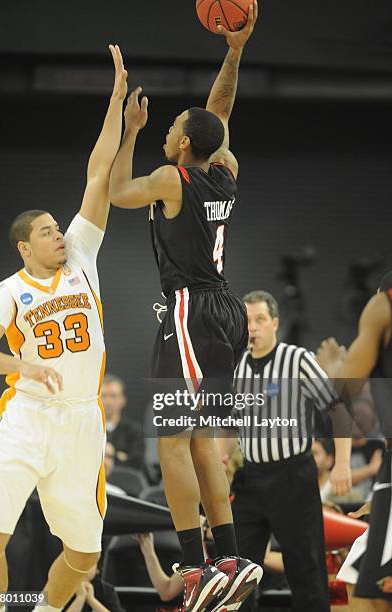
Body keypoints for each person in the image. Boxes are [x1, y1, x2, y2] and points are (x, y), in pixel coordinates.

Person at [109, 5, 263, 610]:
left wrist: (129, 132)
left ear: (180, 144)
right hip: (224, 310)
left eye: (173, 125)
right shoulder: (224, 171)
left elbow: (119, 192)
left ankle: (196, 569)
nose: (170, 127)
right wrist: (234, 51)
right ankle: (229, 557)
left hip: (189, 311)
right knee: (202, 441)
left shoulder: (171, 179)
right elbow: (216, 117)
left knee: (172, 442)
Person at [0, 45, 128, 612]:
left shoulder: (81, 261)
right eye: (46, 232)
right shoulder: (9, 291)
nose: (57, 235)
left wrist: (115, 103)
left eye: (57, 227)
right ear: (25, 245)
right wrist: (20, 364)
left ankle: (44, 610)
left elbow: (98, 174)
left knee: (85, 554)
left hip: (81, 422)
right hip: (26, 417)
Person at [218, 290, 352, 612]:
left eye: (260, 319)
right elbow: (229, 425)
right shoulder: (235, 367)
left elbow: (338, 410)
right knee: (237, 569)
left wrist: (343, 463)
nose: (252, 327)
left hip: (293, 475)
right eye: (247, 321)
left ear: (275, 322)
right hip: (250, 478)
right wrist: (219, 462)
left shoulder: (298, 360)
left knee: (305, 569)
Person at [325, 272, 392, 610]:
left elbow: (342, 393)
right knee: (356, 578)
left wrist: (335, 369)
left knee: (364, 587)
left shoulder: (382, 305)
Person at [101, 373, 144, 471]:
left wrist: (112, 455)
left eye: (113, 396)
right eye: (104, 396)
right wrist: (120, 456)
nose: (108, 401)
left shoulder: (133, 430)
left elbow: (137, 463)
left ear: (123, 399)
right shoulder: (90, 429)